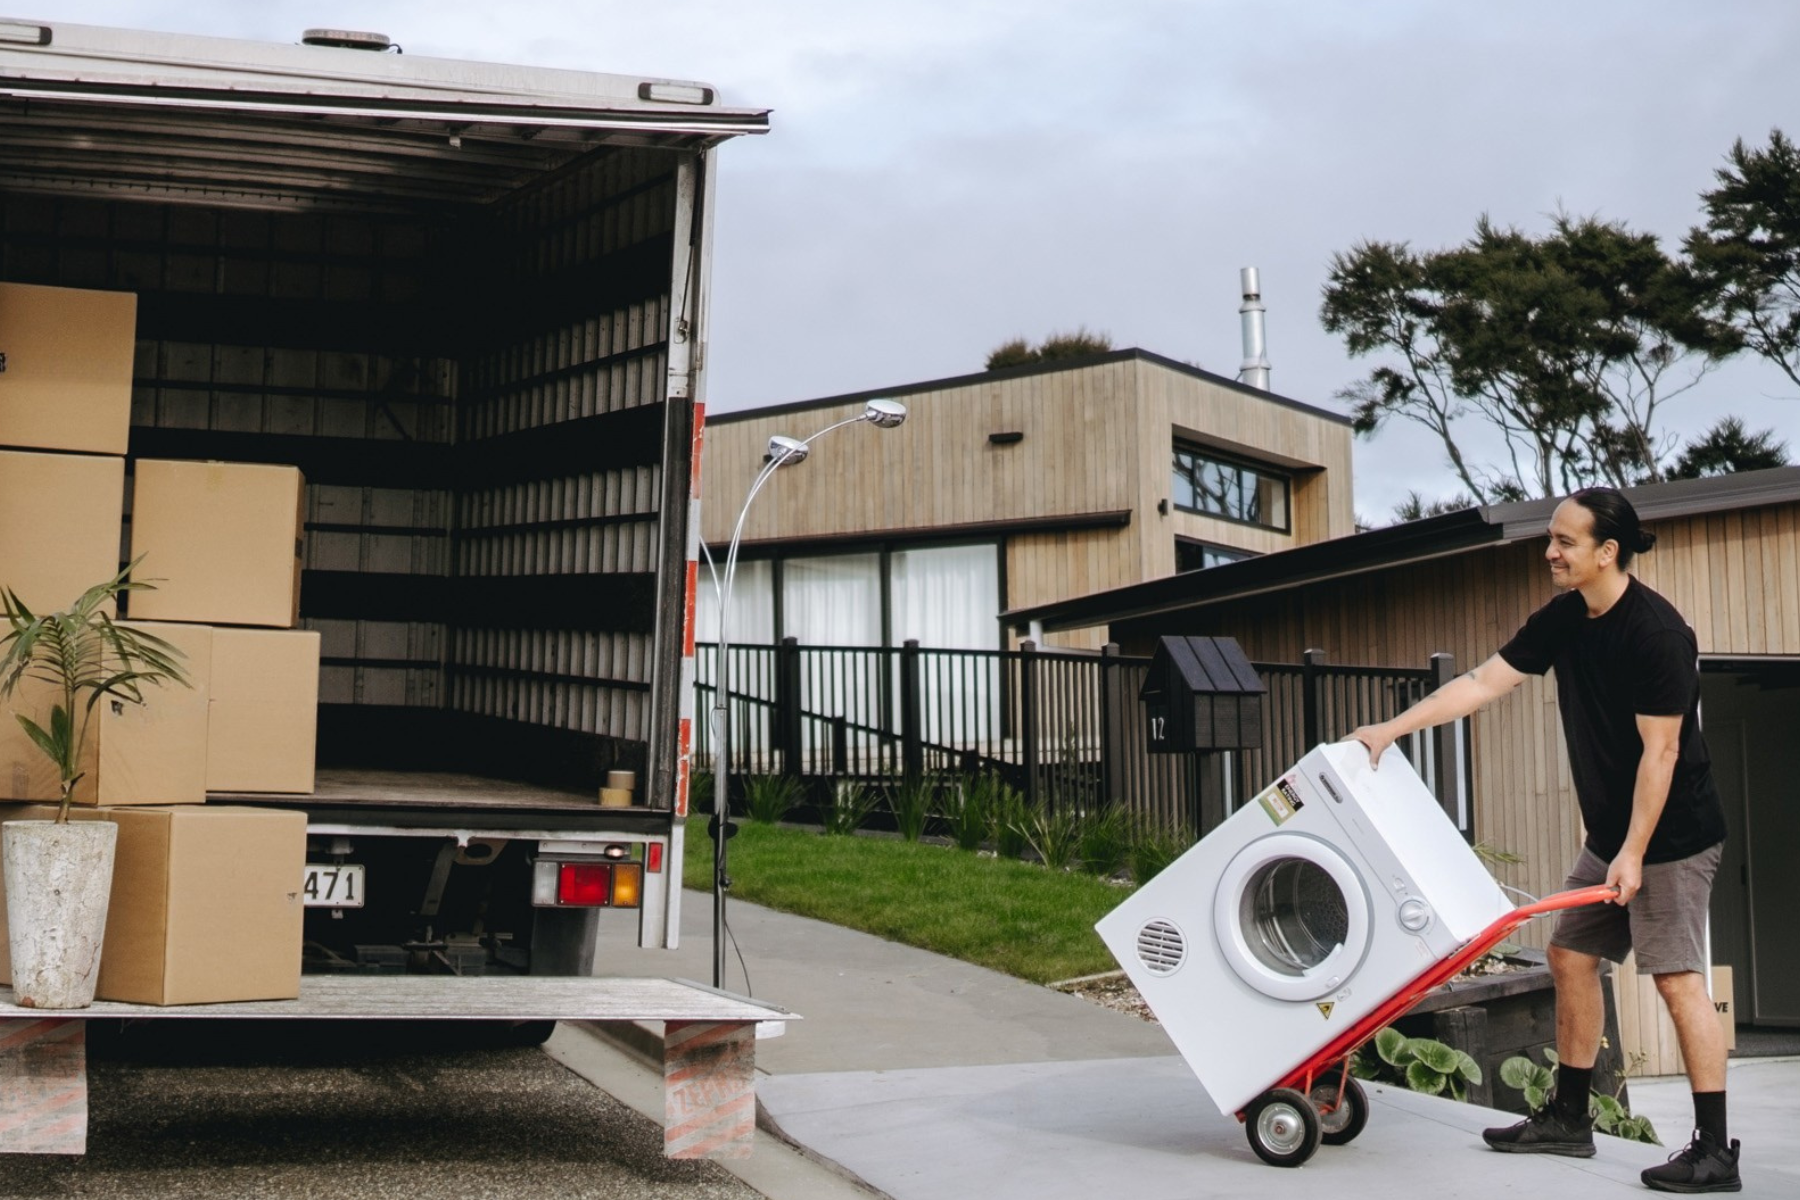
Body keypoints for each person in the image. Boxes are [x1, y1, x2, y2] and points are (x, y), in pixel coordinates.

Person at [1349, 487, 1739, 1194]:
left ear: (1606, 552)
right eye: (1551, 539)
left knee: (1677, 981)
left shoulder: (1657, 635)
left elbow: (1663, 754)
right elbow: (1481, 682)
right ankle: (1569, 1119)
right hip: (1618, 834)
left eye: (1564, 542)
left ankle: (1715, 1151)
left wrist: (1632, 853)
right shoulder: (1566, 618)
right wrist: (1389, 731)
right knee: (1569, 954)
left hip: (1673, 836)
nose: (1551, 552)